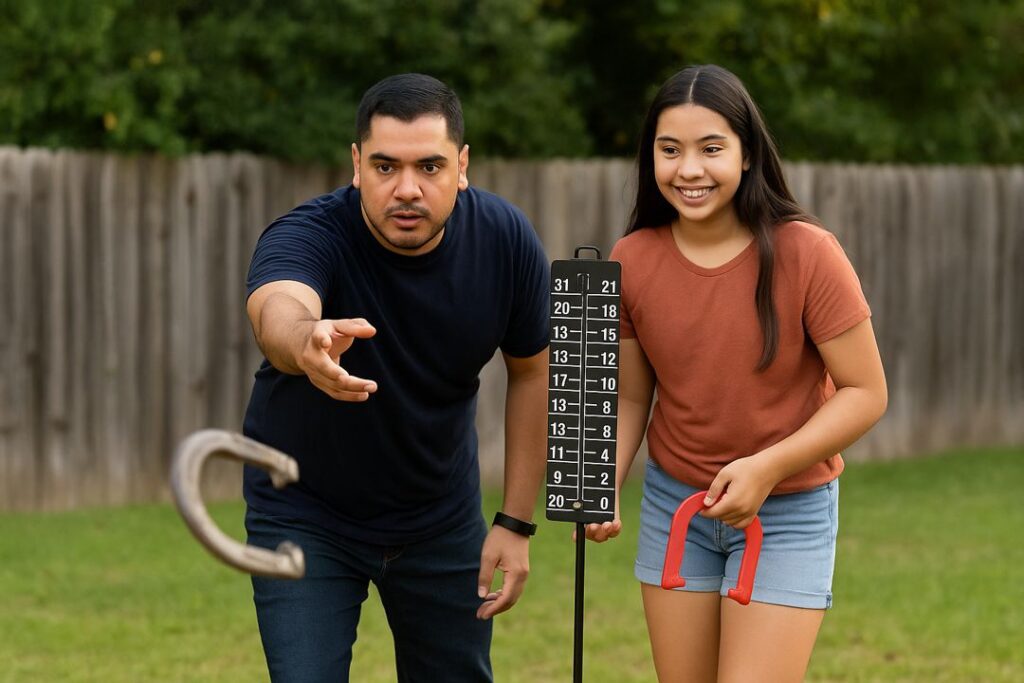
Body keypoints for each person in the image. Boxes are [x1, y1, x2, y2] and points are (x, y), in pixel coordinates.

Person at [241, 73, 550, 682]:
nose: (406, 189)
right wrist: (307, 341)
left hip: (439, 516)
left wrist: (515, 522)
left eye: (429, 167)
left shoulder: (505, 240)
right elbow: (275, 307)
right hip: (306, 514)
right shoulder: (312, 232)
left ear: (462, 166)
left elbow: (533, 373)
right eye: (385, 167)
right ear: (356, 164)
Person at [585, 64, 888, 682]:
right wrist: (602, 481)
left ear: (748, 154)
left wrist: (765, 467)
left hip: (788, 509)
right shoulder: (631, 259)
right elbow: (631, 398)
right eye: (669, 150)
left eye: (711, 148)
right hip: (678, 507)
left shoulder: (808, 253)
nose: (688, 169)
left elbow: (866, 393)